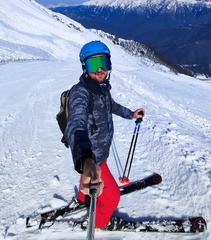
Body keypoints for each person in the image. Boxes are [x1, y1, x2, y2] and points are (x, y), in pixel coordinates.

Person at [65, 40, 145, 229]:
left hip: (100, 154)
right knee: (112, 198)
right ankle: (101, 222)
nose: (100, 69)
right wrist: (86, 159)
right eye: (94, 64)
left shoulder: (101, 88)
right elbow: (75, 124)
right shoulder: (81, 93)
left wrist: (130, 114)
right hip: (93, 157)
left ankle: (83, 198)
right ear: (85, 67)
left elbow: (112, 106)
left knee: (90, 174)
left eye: (105, 63)